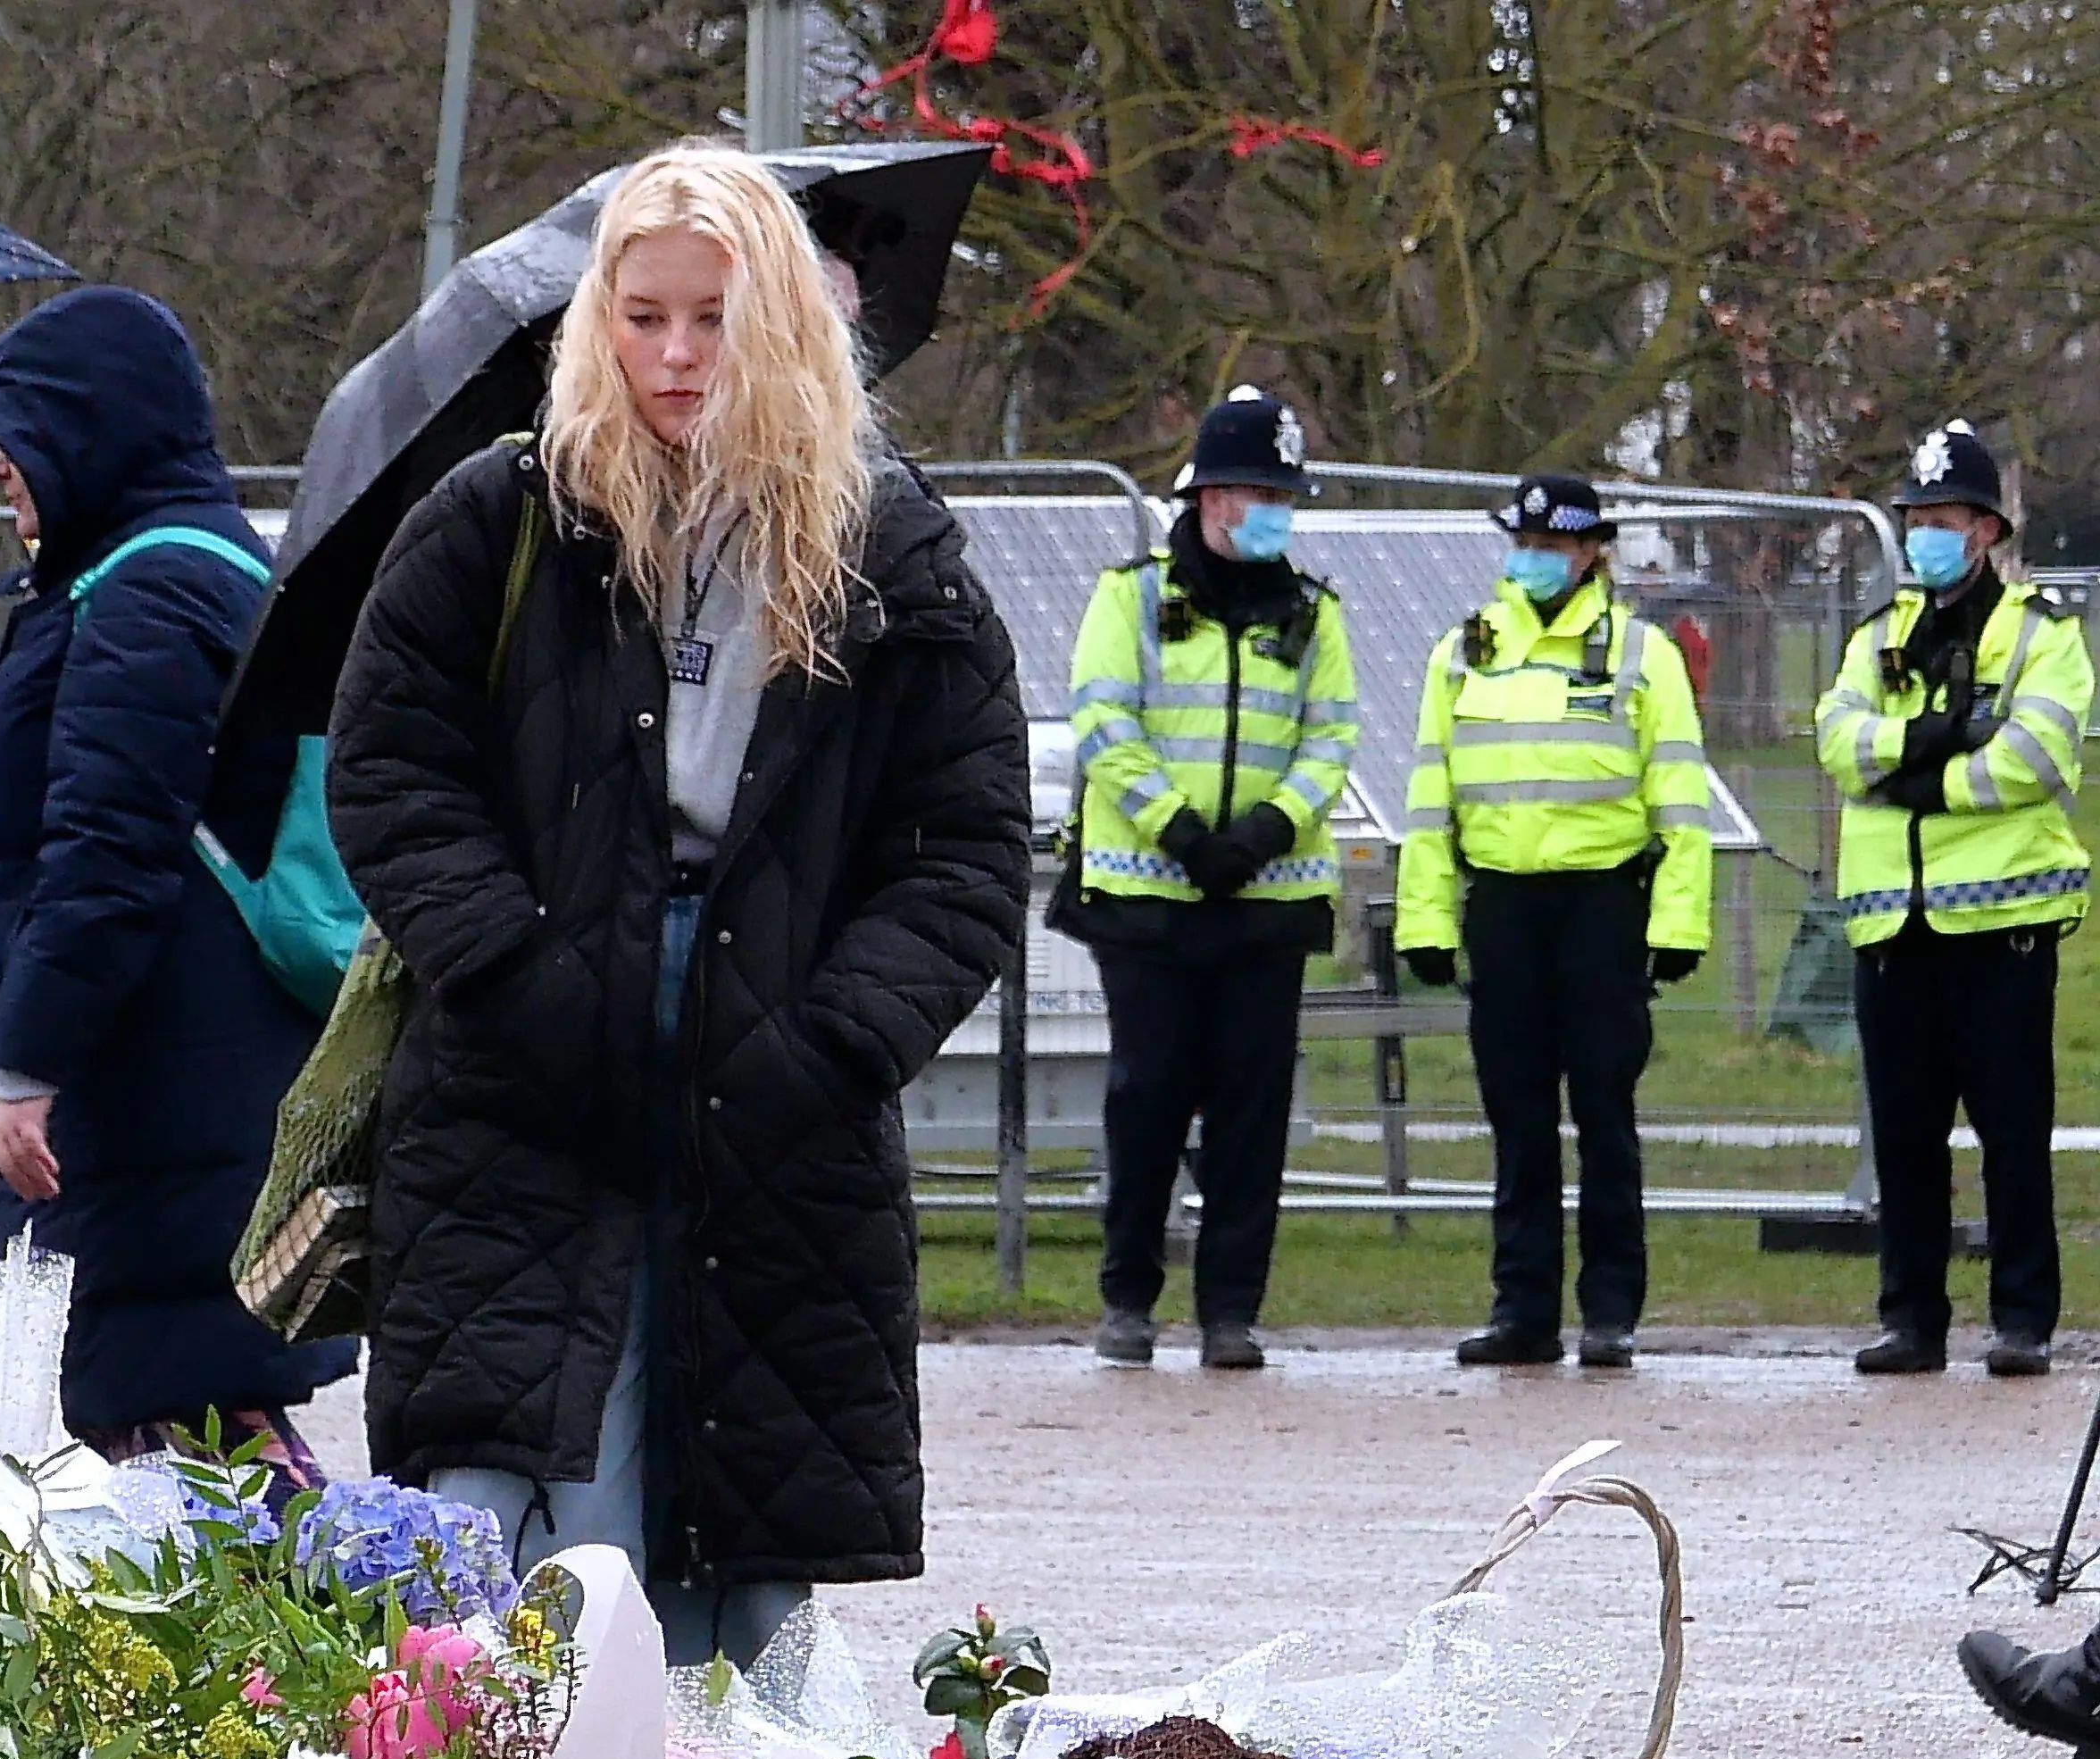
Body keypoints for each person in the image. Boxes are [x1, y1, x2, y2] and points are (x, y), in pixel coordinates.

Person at [326, 142, 1030, 1667]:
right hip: (524, 1074)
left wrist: (833, 1043)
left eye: (714, 317)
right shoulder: (502, 519)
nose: (675, 353)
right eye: (643, 315)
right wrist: (511, 973)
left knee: (736, 1503)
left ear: (781, 320)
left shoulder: (887, 550)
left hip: (776, 1066)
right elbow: (389, 771)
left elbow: (966, 845)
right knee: (515, 1501)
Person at [0, 286, 356, 1484]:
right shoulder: (182, 568)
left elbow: (106, 852)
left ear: (93, 430)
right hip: (185, 1086)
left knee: (185, 1446)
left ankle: (387, 1607)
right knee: (187, 1444)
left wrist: (29, 1063)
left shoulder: (148, 591)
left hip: (148, 1098)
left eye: (19, 432)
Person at [1058, 387, 1358, 1371]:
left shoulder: (1314, 614)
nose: (1277, 512)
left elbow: (1332, 738)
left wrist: (1269, 830)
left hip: (1267, 905)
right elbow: (1106, 722)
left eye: (1285, 496)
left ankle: (1231, 1310)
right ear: (1213, 496)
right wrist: (1181, 832)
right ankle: (1128, 1298)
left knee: (1251, 1111)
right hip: (1149, 895)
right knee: (1146, 1100)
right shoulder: (1131, 597)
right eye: (1262, 494)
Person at [1395, 472, 1712, 1371]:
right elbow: (1430, 798)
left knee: (1605, 1112)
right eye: (1523, 545)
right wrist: (1425, 920)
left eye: (1552, 547)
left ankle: (1611, 1310)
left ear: (1590, 552)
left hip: (1603, 908)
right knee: (1517, 1117)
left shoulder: (1641, 653)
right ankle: (1523, 1311)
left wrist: (1679, 924)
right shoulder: (1464, 651)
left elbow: (1680, 800)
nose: (1533, 561)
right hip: (1502, 907)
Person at [1812, 420, 2094, 1379]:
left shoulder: (2044, 636)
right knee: (1904, 1138)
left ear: (1986, 530)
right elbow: (1837, 741)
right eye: (1915, 518)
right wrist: (1934, 742)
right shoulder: (1877, 636)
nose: (1924, 534)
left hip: (2001, 926)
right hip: (1893, 925)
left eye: (1942, 519)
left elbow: (2034, 758)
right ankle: (1912, 1321)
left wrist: (1912, 779)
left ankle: (2022, 1321)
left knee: (2012, 1135)